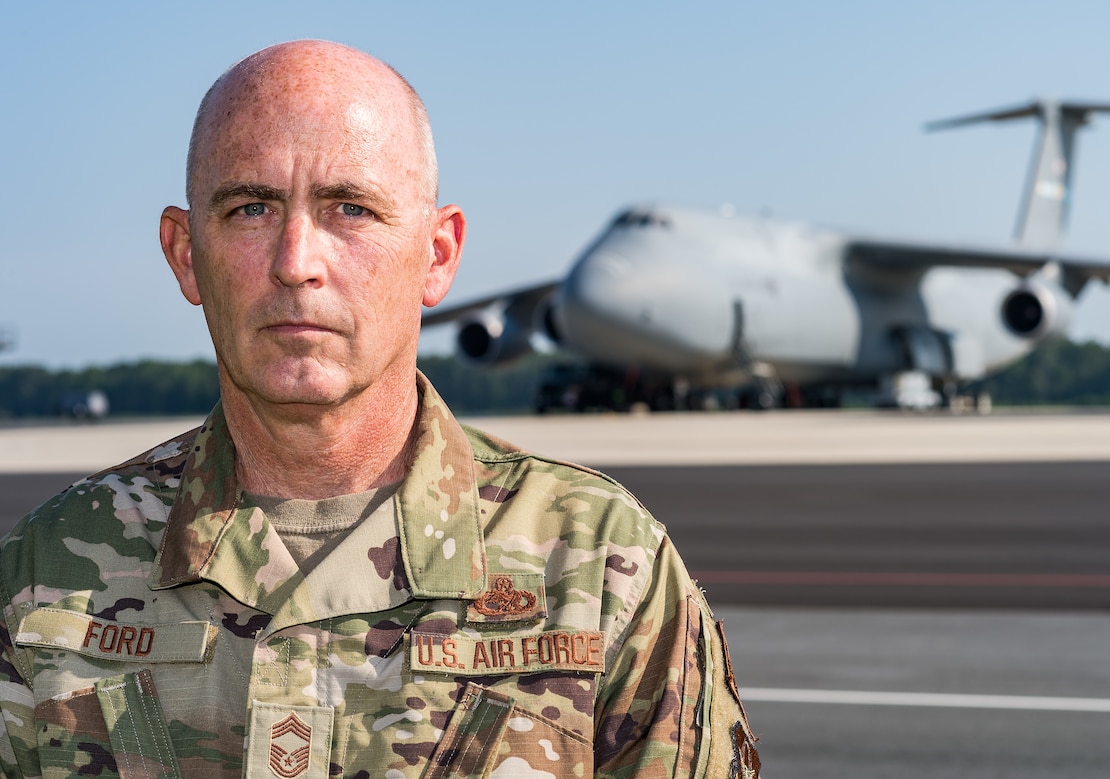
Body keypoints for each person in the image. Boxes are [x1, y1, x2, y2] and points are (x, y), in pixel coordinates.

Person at [0, 41, 759, 778]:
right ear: (185, 252)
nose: (297, 262)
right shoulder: (42, 580)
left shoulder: (601, 573)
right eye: (251, 208)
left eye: (351, 209)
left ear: (437, 254)